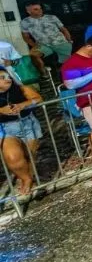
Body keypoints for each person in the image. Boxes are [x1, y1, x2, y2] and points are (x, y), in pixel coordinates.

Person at [0, 66, 43, 195]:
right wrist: (1, 110)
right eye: (2, 78)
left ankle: (31, 182)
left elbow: (39, 98)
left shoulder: (21, 89)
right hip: (6, 129)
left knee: (29, 156)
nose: (7, 79)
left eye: (8, 76)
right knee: (13, 158)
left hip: (28, 124)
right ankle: (26, 178)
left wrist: (24, 104)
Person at [21, 2, 73, 73]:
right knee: (33, 55)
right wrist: (34, 45)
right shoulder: (25, 22)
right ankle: (44, 74)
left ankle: (64, 74)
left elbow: (63, 29)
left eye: (40, 8)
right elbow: (25, 37)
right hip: (44, 45)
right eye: (36, 9)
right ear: (29, 11)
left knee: (67, 66)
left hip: (60, 43)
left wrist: (69, 40)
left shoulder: (52, 17)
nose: (40, 10)